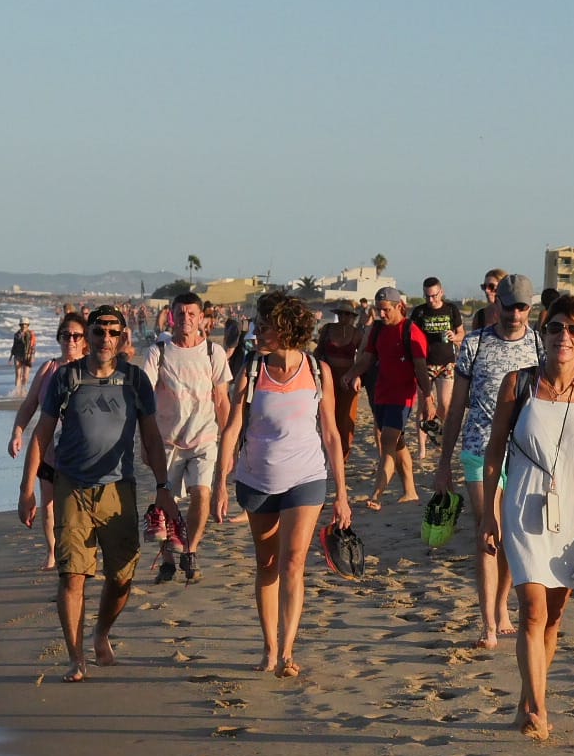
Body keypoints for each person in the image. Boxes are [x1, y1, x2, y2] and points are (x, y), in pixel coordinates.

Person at [479, 296, 574, 742]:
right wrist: (489, 513)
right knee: (531, 610)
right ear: (543, 335)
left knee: (555, 617)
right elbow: (493, 452)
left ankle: (527, 698)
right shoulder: (518, 384)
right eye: (556, 328)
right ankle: (538, 711)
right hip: (524, 506)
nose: (565, 336)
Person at [18, 305, 181, 682]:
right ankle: (76, 658)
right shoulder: (66, 378)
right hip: (71, 487)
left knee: (122, 577)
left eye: (112, 332)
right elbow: (42, 434)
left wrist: (163, 488)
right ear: (88, 336)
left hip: (118, 489)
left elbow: (152, 438)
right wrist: (28, 487)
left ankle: (101, 632)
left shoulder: (136, 380)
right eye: (97, 332)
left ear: (123, 336)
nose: (104, 339)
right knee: (72, 577)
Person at [215, 291, 351, 678]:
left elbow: (330, 433)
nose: (257, 331)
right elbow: (233, 428)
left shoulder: (316, 369)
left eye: (264, 325)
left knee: (293, 562)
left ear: (286, 329)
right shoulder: (252, 370)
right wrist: (221, 482)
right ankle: (269, 648)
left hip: (306, 478)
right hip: (257, 478)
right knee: (267, 562)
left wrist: (342, 494)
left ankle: (288, 652)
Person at [435, 271, 541, 649]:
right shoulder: (475, 344)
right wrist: (444, 462)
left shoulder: (539, 346)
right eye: (508, 306)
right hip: (479, 449)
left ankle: (501, 608)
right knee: (487, 531)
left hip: (524, 454)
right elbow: (457, 406)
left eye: (522, 307)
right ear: (497, 304)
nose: (514, 313)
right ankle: (488, 626)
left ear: (530, 308)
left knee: (513, 536)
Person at [142, 292, 233, 582]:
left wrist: (230, 440)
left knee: (201, 493)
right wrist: (144, 440)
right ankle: (168, 557)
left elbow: (221, 399)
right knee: (166, 501)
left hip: (204, 436)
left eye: (192, 314)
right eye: (180, 314)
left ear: (202, 318)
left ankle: (190, 551)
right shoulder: (159, 351)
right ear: (172, 316)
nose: (186, 319)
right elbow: (144, 398)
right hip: (167, 438)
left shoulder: (213, 353)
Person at [10, 312, 90, 569]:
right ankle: (53, 550)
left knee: (79, 504)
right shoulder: (49, 368)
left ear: (85, 340)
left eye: (77, 336)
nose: (71, 340)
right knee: (49, 502)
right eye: (66, 335)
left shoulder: (91, 369)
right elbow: (29, 404)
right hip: (49, 449)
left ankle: (80, 547)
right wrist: (17, 432)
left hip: (80, 452)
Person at [348, 286, 431, 509]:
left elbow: (421, 369)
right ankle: (410, 491)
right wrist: (351, 373)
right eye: (378, 310)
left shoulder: (411, 332)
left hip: (402, 398)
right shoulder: (378, 330)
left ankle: (376, 494)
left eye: (385, 310)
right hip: (381, 394)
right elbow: (367, 358)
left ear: (399, 307)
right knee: (399, 444)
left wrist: (429, 398)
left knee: (387, 444)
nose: (381, 314)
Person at [411, 277, 466, 461]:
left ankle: (438, 437)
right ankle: (422, 448)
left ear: (441, 292)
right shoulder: (419, 312)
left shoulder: (451, 309)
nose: (431, 300)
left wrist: (454, 337)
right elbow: (411, 336)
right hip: (424, 363)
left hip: (447, 363)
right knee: (424, 406)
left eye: (434, 296)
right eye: (427, 296)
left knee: (444, 404)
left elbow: (462, 334)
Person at [315, 302, 364, 463]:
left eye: (348, 315)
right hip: (328, 376)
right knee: (328, 415)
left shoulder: (357, 333)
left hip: (348, 378)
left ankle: (343, 454)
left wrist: (355, 375)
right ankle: (328, 451)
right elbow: (318, 351)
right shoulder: (328, 329)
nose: (344, 317)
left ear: (352, 317)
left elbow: (364, 357)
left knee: (346, 416)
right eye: (341, 314)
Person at [9, 320, 37, 393]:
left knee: (25, 376)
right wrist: (10, 357)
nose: (23, 326)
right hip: (18, 356)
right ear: (20, 325)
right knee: (18, 375)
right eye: (22, 325)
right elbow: (14, 346)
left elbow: (33, 346)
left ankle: (23, 390)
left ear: (28, 325)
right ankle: (17, 391)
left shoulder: (31, 334)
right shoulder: (16, 334)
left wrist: (32, 356)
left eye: (25, 324)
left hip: (27, 356)